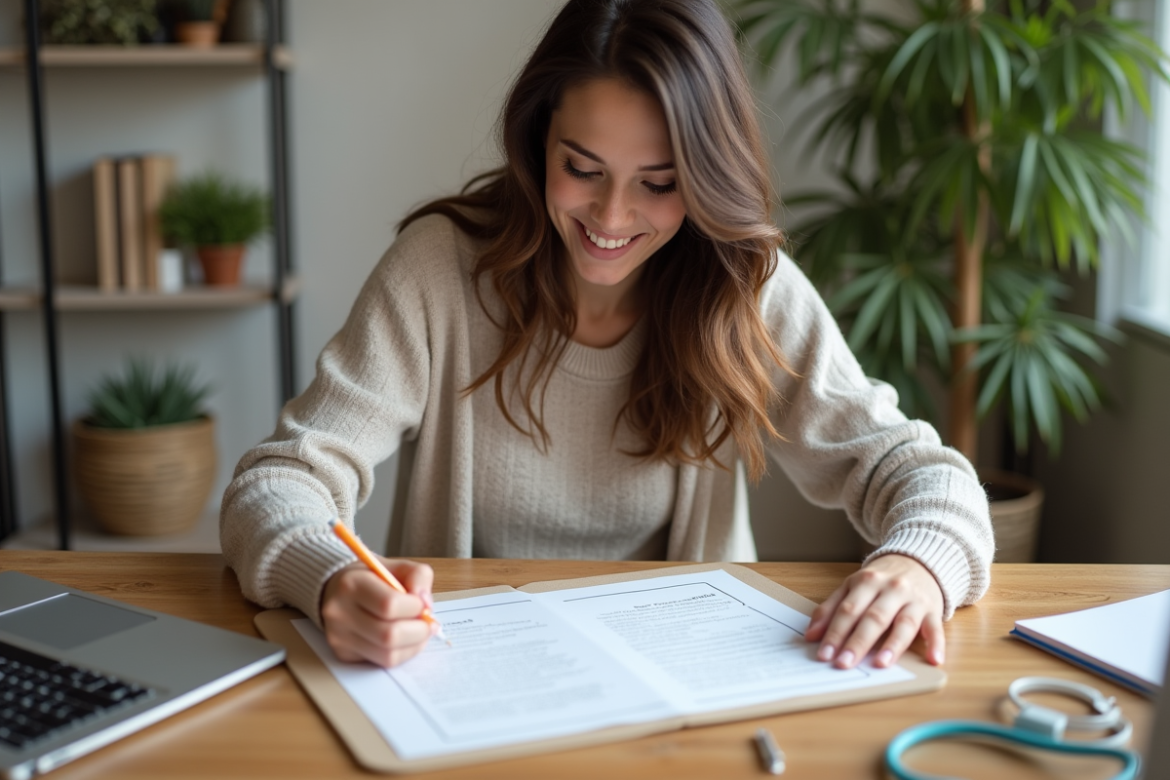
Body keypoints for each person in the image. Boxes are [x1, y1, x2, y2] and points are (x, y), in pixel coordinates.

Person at [221, 0, 994, 672]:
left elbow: (923, 473)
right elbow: (276, 482)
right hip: (462, 670)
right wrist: (328, 578)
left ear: (705, 174)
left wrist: (916, 564)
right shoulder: (438, 272)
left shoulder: (744, 289)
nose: (612, 218)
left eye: (659, 184)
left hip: (686, 681)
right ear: (538, 143)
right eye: (582, 168)